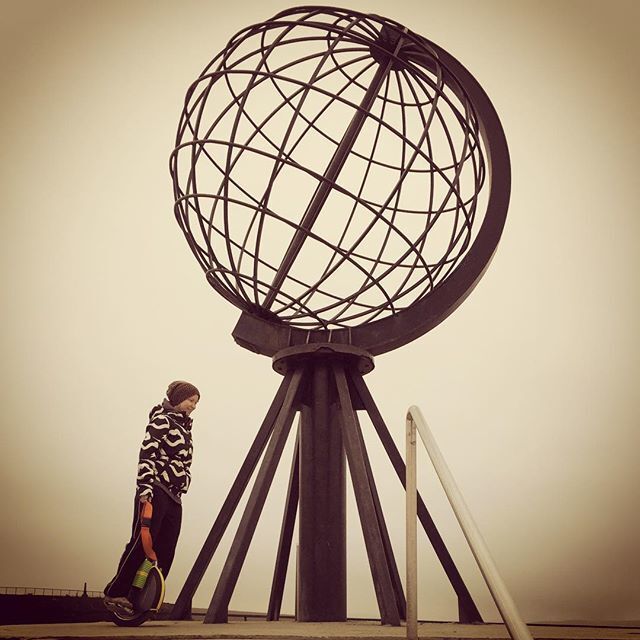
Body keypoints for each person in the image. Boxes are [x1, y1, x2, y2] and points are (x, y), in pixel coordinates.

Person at [103, 380, 200, 615]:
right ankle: (117, 591)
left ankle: (142, 596)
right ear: (179, 398)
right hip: (155, 488)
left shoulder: (185, 428)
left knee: (166, 548)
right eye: (190, 400)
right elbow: (147, 453)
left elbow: (185, 462)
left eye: (196, 403)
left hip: (174, 495)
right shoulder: (162, 419)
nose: (193, 406)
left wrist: (184, 481)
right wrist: (145, 488)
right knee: (143, 542)